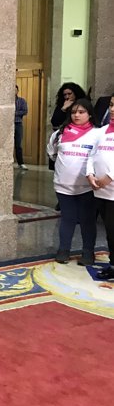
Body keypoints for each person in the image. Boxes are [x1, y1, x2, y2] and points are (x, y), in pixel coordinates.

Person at [47, 98, 98, 265]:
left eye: (81, 112)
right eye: (74, 112)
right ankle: (63, 250)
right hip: (63, 185)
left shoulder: (97, 134)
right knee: (67, 218)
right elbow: (52, 153)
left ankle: (88, 252)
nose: (77, 115)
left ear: (90, 114)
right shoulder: (60, 133)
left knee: (87, 220)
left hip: (87, 187)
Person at [87, 94, 114, 278]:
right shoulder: (101, 131)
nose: (112, 109)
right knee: (110, 231)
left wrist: (109, 177)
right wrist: (90, 174)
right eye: (112, 105)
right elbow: (91, 155)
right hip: (101, 192)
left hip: (111, 188)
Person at [15, 85, 28, 170]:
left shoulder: (21, 101)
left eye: (15, 90)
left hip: (18, 124)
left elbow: (25, 111)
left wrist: (14, 113)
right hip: (8, 125)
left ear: (17, 91)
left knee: (18, 144)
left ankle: (21, 163)